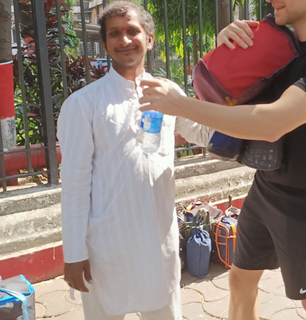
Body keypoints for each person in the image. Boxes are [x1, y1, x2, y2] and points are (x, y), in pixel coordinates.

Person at [139, 0, 306, 319]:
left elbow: (270, 123)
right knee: (240, 279)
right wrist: (228, 53)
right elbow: (233, 101)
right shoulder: (277, 42)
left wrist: (179, 105)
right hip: (266, 187)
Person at [57, 2, 208, 319]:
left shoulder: (167, 92)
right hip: (105, 248)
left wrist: (239, 107)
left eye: (132, 31)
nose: (124, 40)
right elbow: (74, 183)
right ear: (104, 44)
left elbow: (204, 133)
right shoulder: (84, 104)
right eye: (115, 33)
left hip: (158, 244)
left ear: (149, 39)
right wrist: (73, 253)